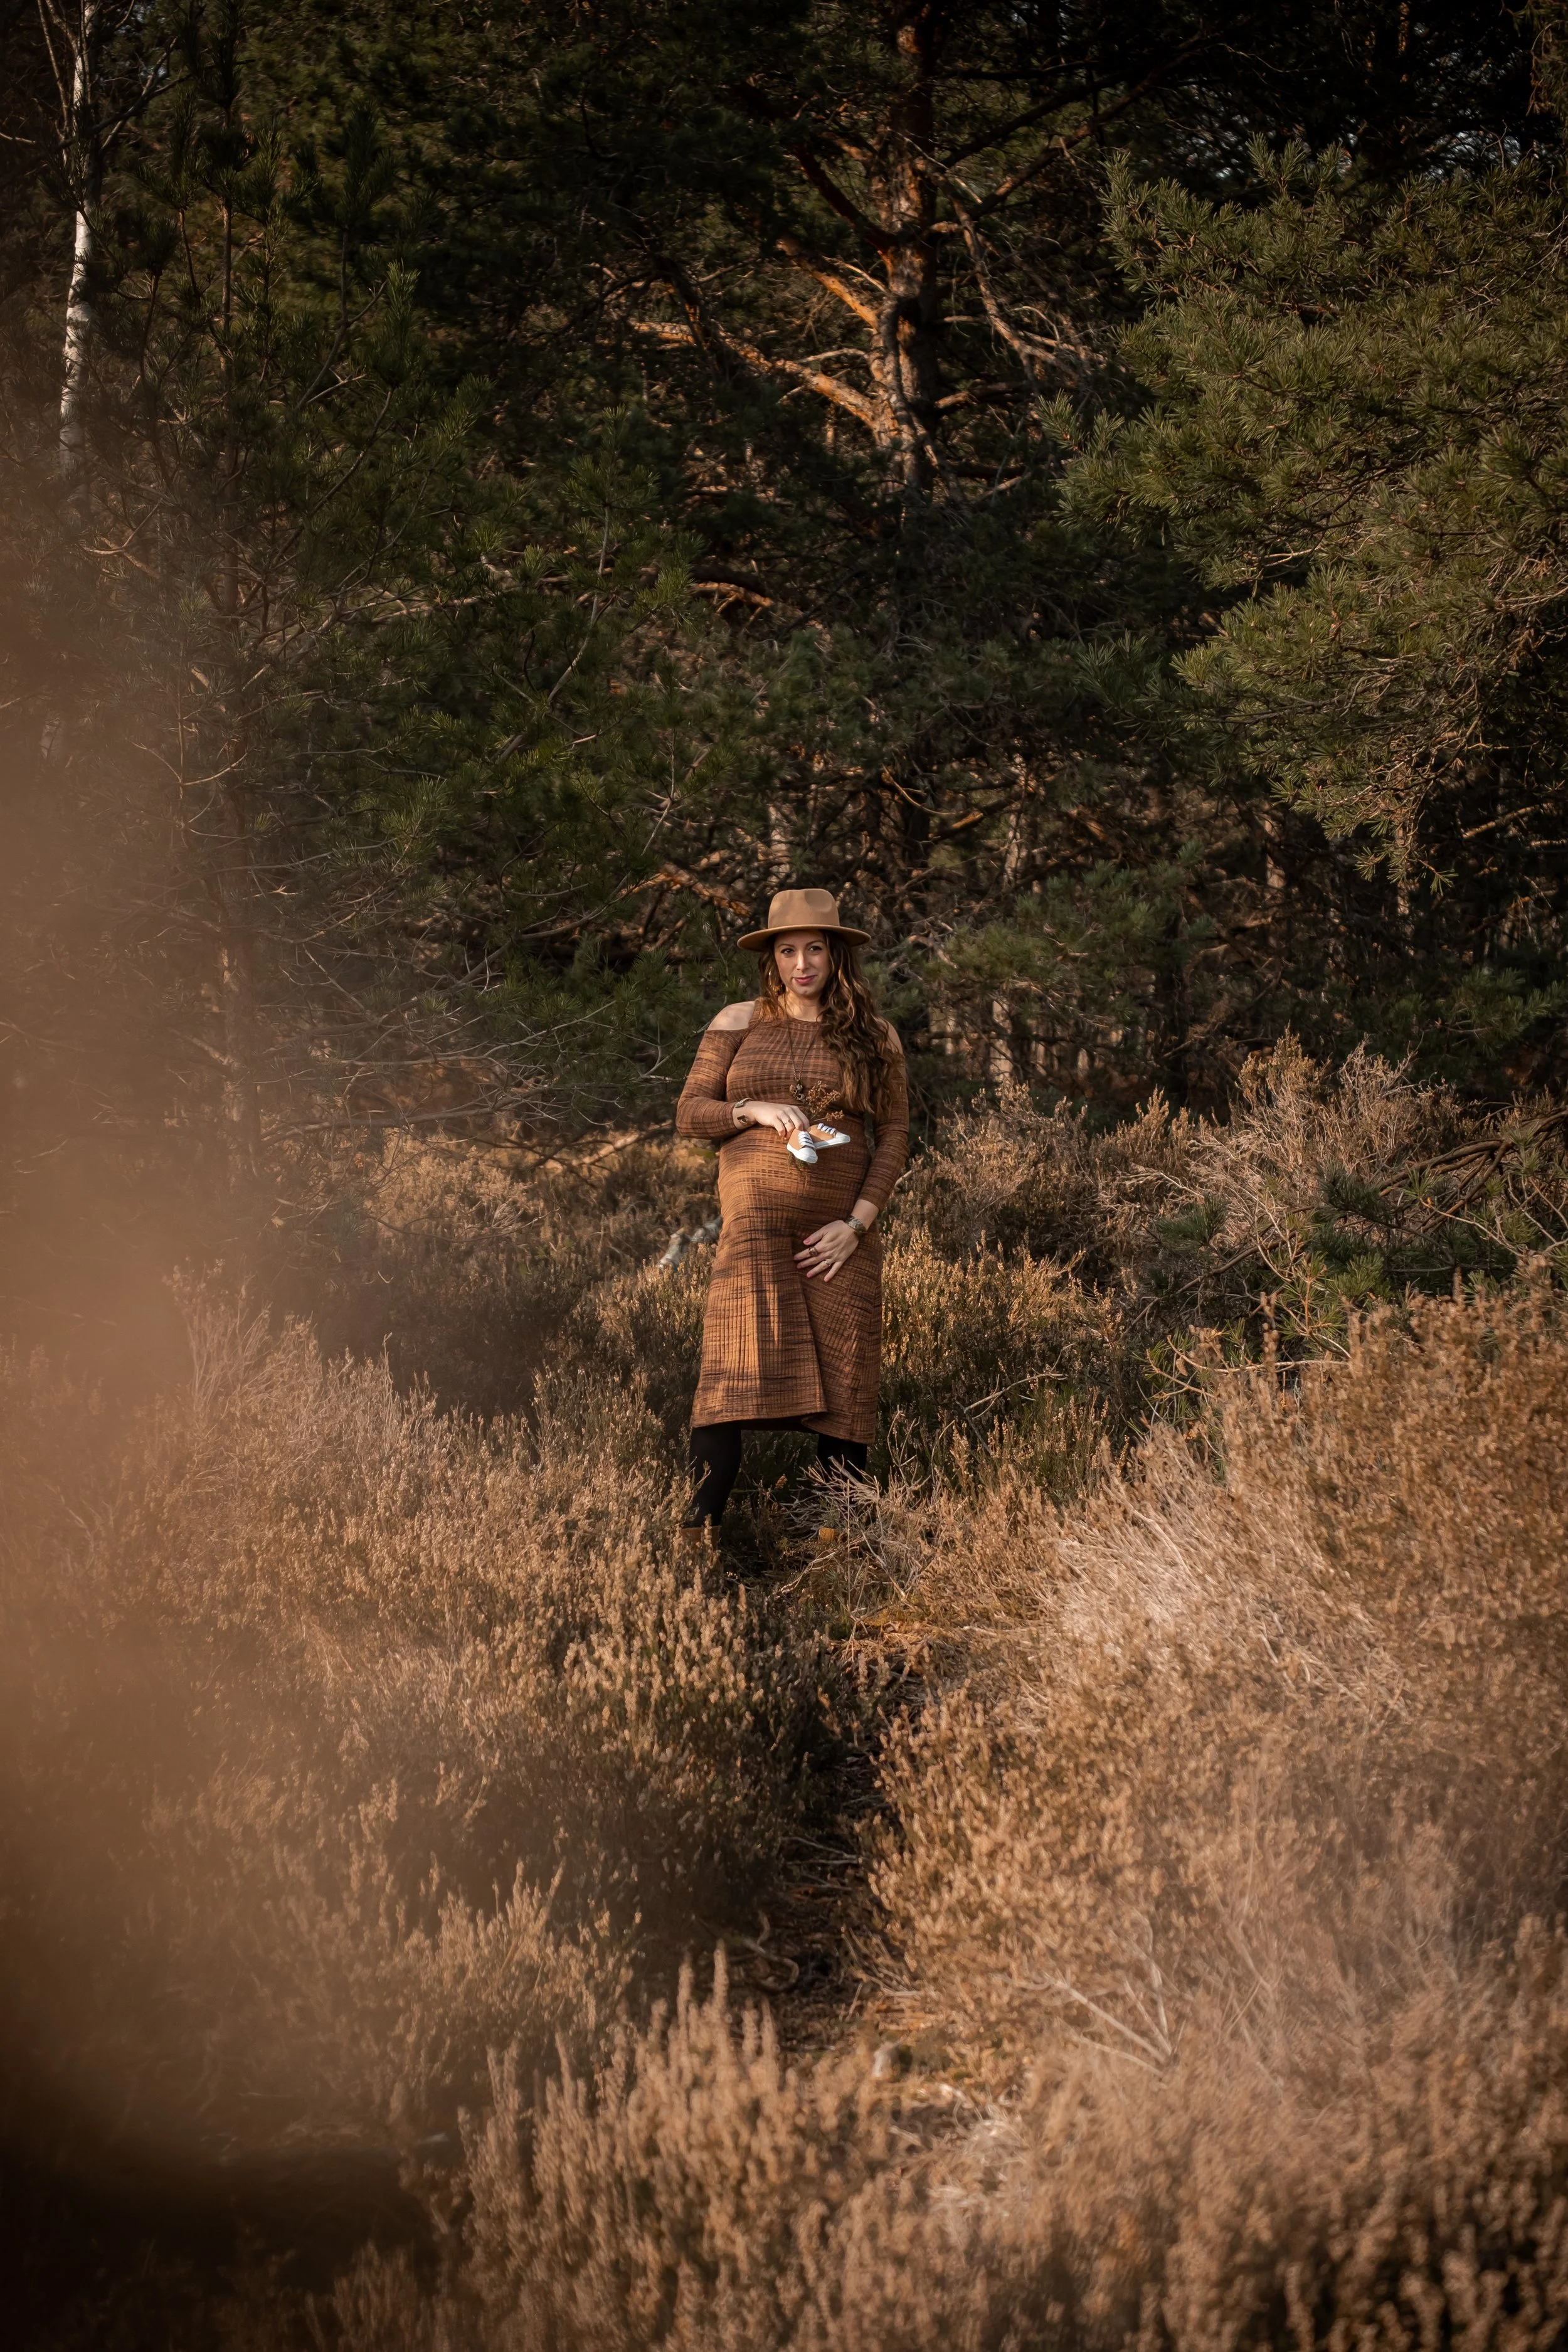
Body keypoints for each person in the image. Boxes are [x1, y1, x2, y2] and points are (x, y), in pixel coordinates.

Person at [674, 886, 909, 1549]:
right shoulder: (737, 1021)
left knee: (846, 1387)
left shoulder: (875, 1036)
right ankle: (696, 1539)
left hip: (838, 1239)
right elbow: (691, 1113)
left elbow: (891, 1137)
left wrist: (856, 1226)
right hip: (754, 1232)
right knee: (729, 1378)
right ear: (771, 959)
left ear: (835, 955)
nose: (801, 963)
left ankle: (833, 1553)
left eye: (813, 949)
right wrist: (749, 1110)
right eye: (787, 951)